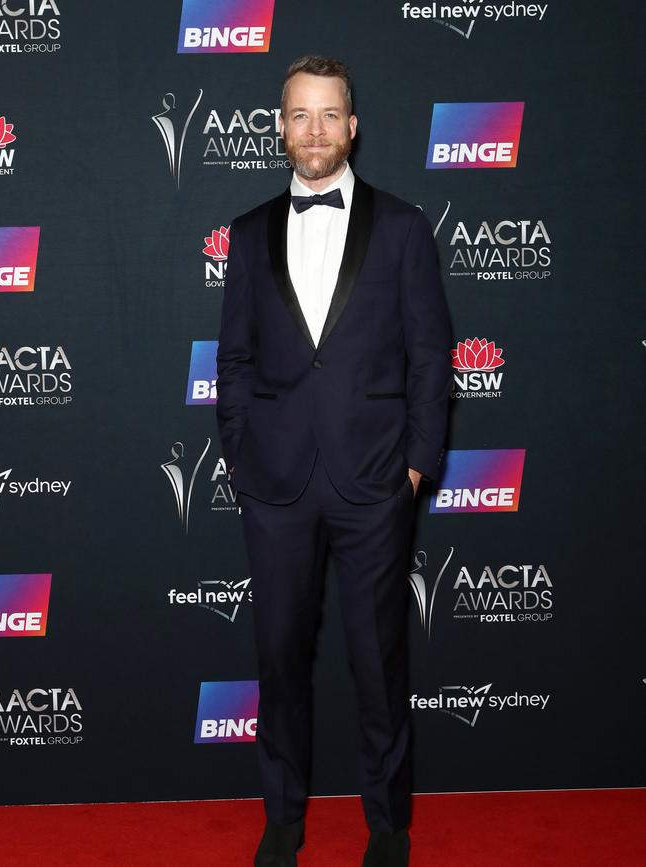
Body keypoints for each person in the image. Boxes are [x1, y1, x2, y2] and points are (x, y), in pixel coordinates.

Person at [216, 54, 453, 867]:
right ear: (279, 127)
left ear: (352, 126)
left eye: (328, 115)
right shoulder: (247, 236)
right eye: (298, 115)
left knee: (379, 660)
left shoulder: (403, 227)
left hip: (374, 482)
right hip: (275, 485)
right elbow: (235, 363)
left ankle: (388, 824)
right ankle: (284, 815)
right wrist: (240, 459)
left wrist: (417, 466)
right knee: (279, 656)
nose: (313, 131)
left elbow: (431, 356)